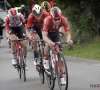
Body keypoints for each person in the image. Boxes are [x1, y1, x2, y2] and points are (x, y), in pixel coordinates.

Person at [42, 7, 73, 84]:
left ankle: (61, 76)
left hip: (56, 33)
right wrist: (49, 42)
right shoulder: (47, 20)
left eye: (59, 18)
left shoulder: (64, 20)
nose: (58, 21)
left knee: (59, 53)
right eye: (55, 19)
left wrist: (68, 40)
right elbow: (44, 37)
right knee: (47, 43)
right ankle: (46, 58)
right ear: (51, 18)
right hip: (47, 33)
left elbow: (68, 33)